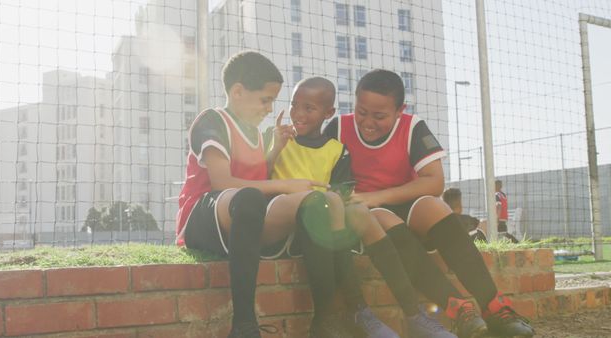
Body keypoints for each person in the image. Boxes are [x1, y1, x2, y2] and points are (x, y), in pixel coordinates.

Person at [324, 69, 535, 337]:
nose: (367, 122)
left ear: (400, 110)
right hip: (368, 218)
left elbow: (434, 182)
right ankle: (458, 309)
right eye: (361, 111)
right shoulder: (338, 128)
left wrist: (378, 195)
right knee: (385, 217)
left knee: (435, 206)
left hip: (399, 206)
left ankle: (494, 307)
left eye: (379, 116)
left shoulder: (412, 127)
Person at [269, 76, 458, 338]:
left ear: (329, 113)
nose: (298, 114)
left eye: (308, 108)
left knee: (355, 211)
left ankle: (410, 315)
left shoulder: (336, 150)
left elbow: (341, 194)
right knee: (327, 209)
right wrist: (275, 148)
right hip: (286, 223)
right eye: (294, 105)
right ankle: (353, 309)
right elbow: (261, 181)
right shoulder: (277, 140)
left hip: (325, 223)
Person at [175, 51, 336, 338]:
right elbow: (223, 183)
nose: (269, 108)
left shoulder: (258, 134)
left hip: (243, 218)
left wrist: (275, 152)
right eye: (266, 100)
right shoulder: (212, 120)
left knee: (315, 200)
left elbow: (255, 180)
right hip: (201, 219)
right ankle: (245, 327)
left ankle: (327, 321)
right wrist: (285, 185)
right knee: (250, 198)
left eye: (273, 101)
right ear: (238, 92)